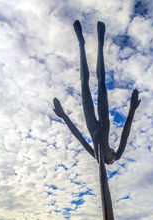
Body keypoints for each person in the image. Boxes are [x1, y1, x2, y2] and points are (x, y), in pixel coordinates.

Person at [53, 20, 141, 165]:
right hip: (104, 124)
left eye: (112, 153)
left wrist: (64, 117)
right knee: (101, 83)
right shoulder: (116, 155)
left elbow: (80, 137)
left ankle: (81, 43)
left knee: (84, 84)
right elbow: (125, 133)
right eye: (113, 151)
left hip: (92, 125)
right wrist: (131, 110)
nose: (112, 150)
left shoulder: (97, 155)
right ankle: (100, 43)